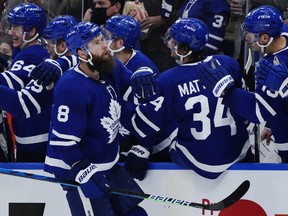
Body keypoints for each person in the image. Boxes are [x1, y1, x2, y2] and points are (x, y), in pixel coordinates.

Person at [122, 17, 251, 179]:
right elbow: (245, 113)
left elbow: (146, 126)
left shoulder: (168, 79)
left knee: (166, 142)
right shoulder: (228, 64)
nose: (170, 45)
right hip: (238, 152)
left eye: (173, 42)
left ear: (184, 49)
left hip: (193, 158)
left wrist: (126, 104)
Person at [43, 21, 147, 216]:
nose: (105, 46)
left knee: (137, 214)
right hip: (77, 169)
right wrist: (84, 172)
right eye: (97, 43)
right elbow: (62, 142)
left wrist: (144, 73)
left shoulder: (109, 68)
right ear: (82, 53)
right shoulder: (71, 87)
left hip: (107, 164)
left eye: (103, 39)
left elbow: (134, 86)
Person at [197, 5, 288, 162]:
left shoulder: (272, 69)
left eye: (251, 35)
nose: (247, 39)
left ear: (265, 38)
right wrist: (271, 125)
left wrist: (228, 91)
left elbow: (258, 110)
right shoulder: (281, 35)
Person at [0, 2, 50, 162]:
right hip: (39, 135)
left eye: (16, 27)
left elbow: (13, 83)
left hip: (35, 140)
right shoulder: (38, 49)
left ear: (32, 31)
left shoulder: (31, 55)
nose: (10, 31)